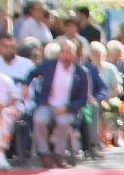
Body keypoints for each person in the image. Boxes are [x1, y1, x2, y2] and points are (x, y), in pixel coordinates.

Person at [30, 38, 92, 168]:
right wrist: (25, 85)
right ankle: (44, 153)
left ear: (74, 54)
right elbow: (32, 73)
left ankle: (59, 154)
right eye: (63, 52)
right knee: (39, 119)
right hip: (47, 104)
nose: (65, 55)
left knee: (63, 122)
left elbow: (83, 99)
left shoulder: (81, 73)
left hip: (67, 108)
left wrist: (67, 107)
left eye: (69, 52)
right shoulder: (49, 66)